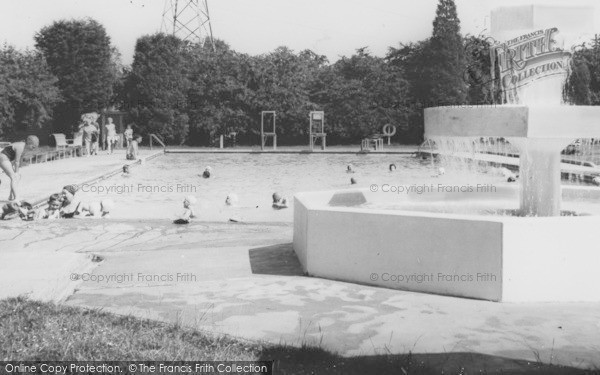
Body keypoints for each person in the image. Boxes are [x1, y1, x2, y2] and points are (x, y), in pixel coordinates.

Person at [0, 135, 39, 201]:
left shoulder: (24, 148)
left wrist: (16, 172)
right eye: (33, 147)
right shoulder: (21, 147)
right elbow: (16, 162)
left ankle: (11, 196)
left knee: (16, 177)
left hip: (6, 159)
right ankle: (16, 197)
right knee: (14, 177)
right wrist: (16, 172)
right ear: (29, 143)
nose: (33, 149)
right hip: (3, 158)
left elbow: (15, 160)